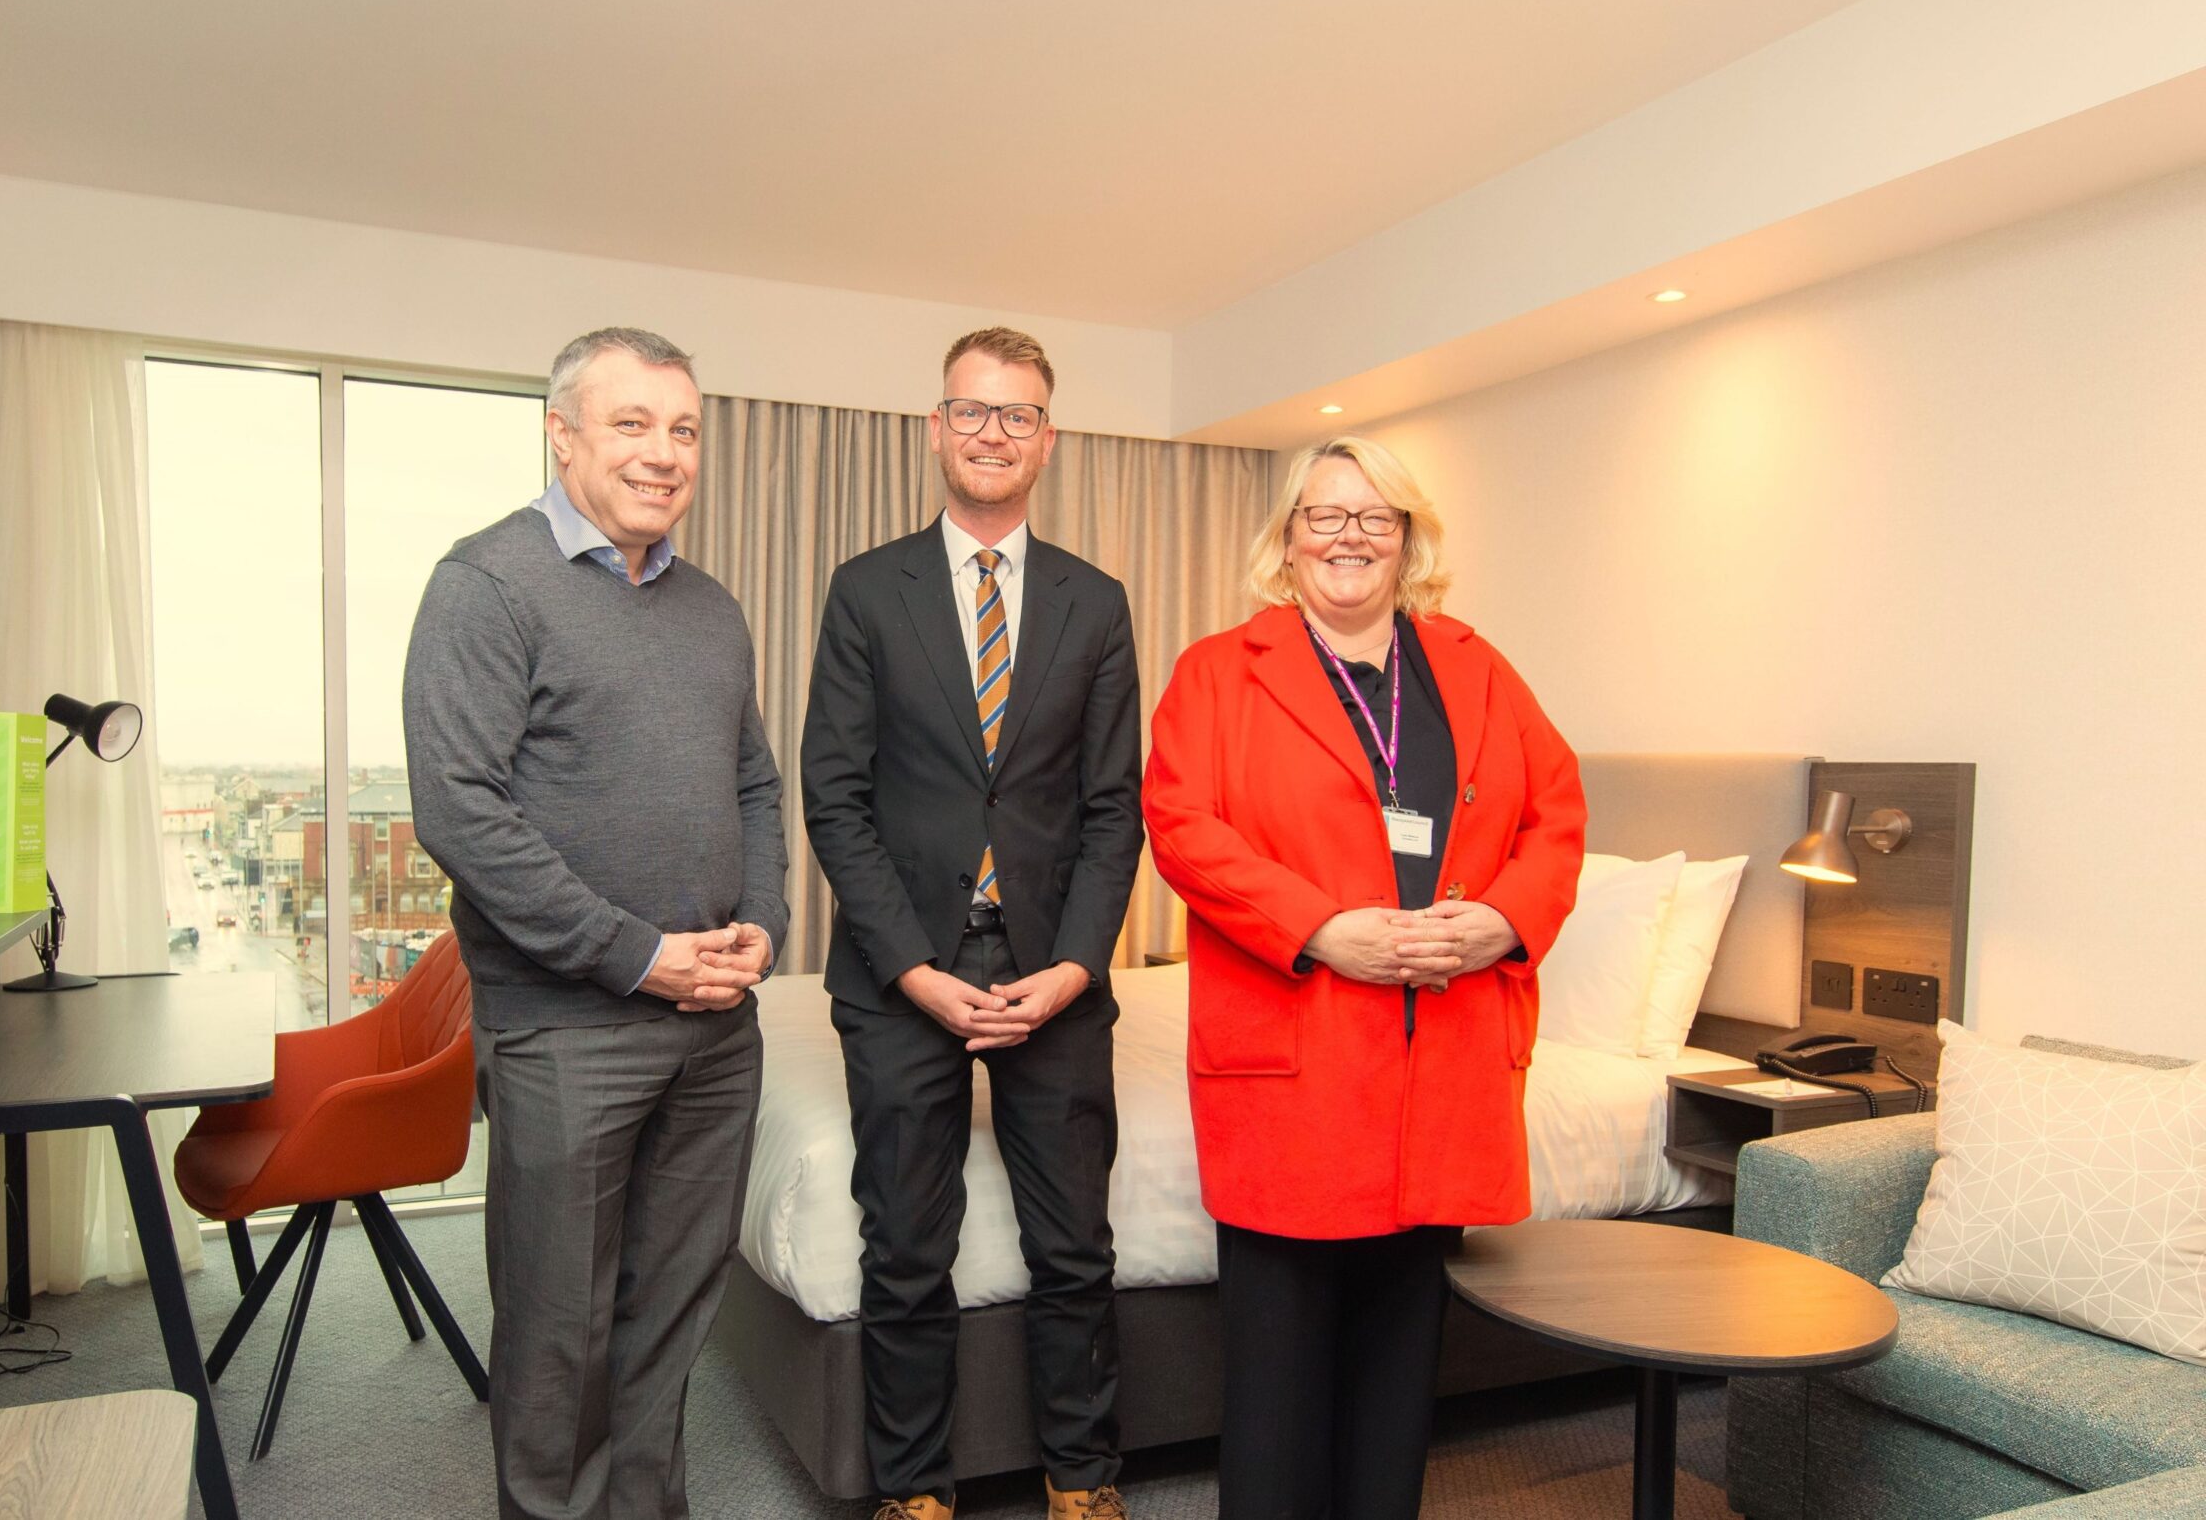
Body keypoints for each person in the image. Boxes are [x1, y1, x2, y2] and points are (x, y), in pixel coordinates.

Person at [1140, 434, 1584, 1520]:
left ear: (1407, 538)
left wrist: (1500, 919)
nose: (1347, 537)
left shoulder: (1476, 666)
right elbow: (1181, 825)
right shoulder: (1219, 669)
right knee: (1279, 1376)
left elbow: (1556, 815)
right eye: (1321, 516)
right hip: (1297, 1053)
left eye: (1371, 517)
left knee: (1398, 1367)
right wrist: (1319, 926)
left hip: (1438, 1060)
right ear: (1285, 541)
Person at [403, 326, 788, 1520]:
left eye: (682, 430)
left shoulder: (711, 607)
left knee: (672, 1311)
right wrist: (640, 956)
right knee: (560, 1329)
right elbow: (458, 811)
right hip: (570, 1026)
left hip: (716, 1021)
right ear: (562, 433)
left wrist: (762, 924)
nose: (663, 454)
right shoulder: (486, 583)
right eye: (631, 425)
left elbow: (755, 787)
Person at [801, 327, 1145, 1520]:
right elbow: (832, 797)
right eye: (972, 410)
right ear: (934, 427)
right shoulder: (866, 588)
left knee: (1075, 1250)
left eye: (1017, 415)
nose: (993, 432)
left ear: (1045, 439)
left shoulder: (1094, 605)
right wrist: (907, 966)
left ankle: (1083, 1481)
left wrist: (1068, 965)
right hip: (904, 969)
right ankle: (912, 1491)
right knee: (905, 1244)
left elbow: (1114, 809)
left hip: (1048, 967)